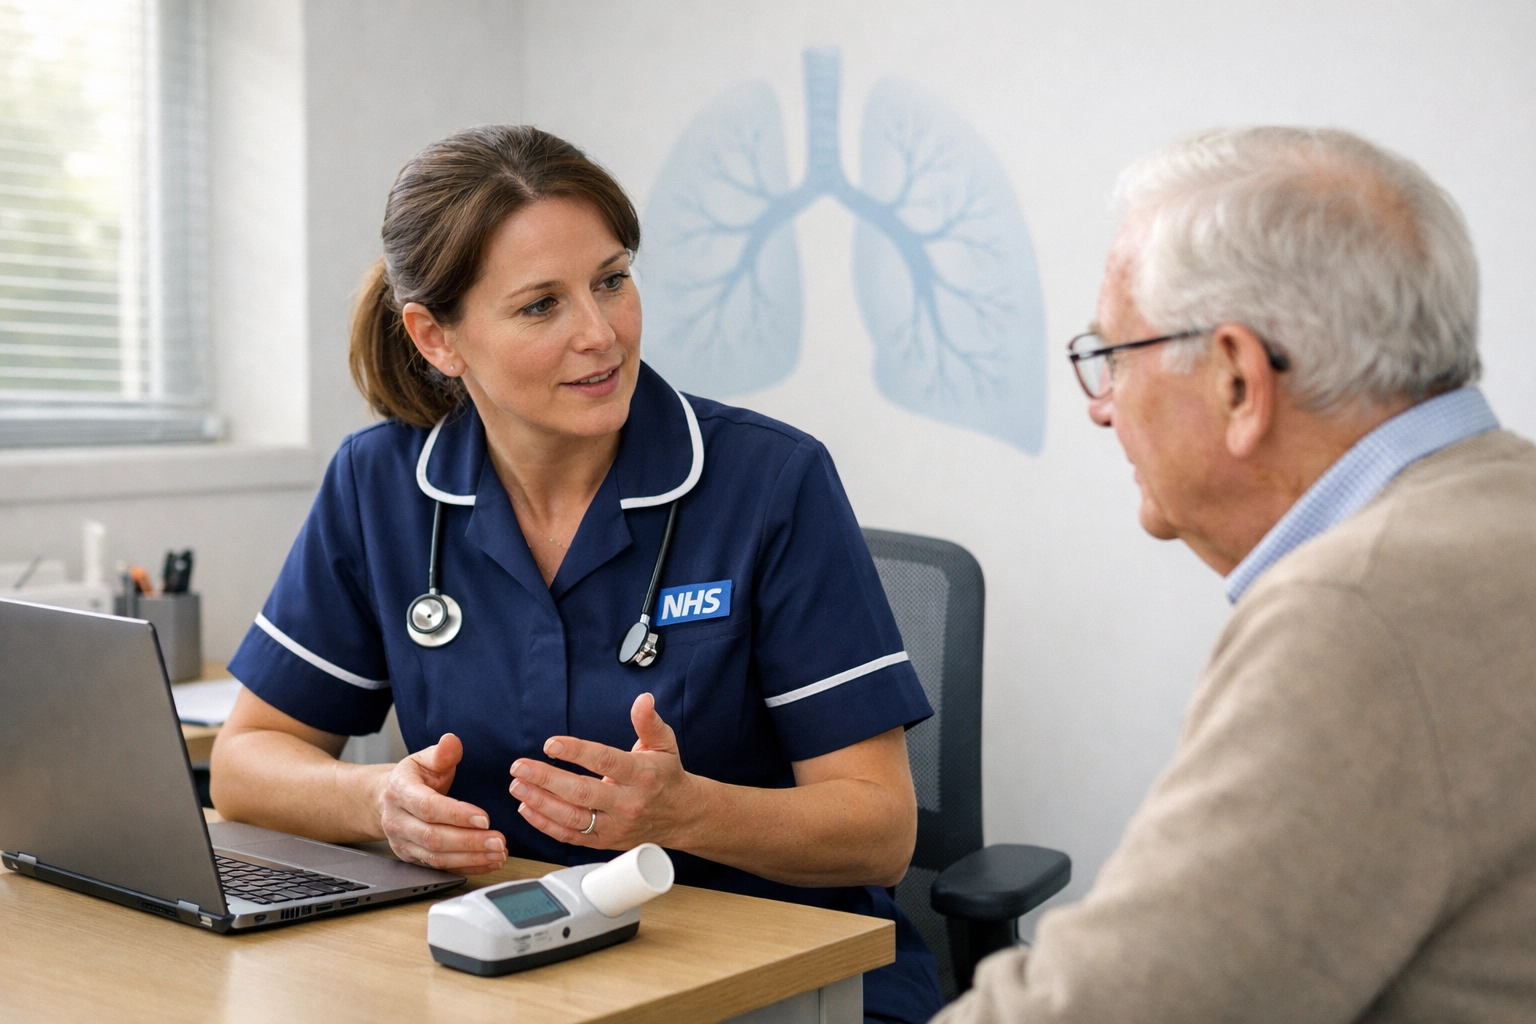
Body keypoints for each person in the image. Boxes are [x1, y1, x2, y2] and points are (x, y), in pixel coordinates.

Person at [210, 125, 943, 1023]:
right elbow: (245, 763)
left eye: (611, 280)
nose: (601, 335)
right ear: (438, 338)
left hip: (776, 970)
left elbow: (879, 831)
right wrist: (375, 800)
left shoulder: (769, 482)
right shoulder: (380, 485)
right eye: (540, 306)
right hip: (502, 969)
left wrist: (686, 813)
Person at [937, 127, 1536, 1022]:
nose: (1102, 409)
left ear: (1238, 381)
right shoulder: (1506, 507)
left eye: (1112, 356)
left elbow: (1112, 1010)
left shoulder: (1358, 613)